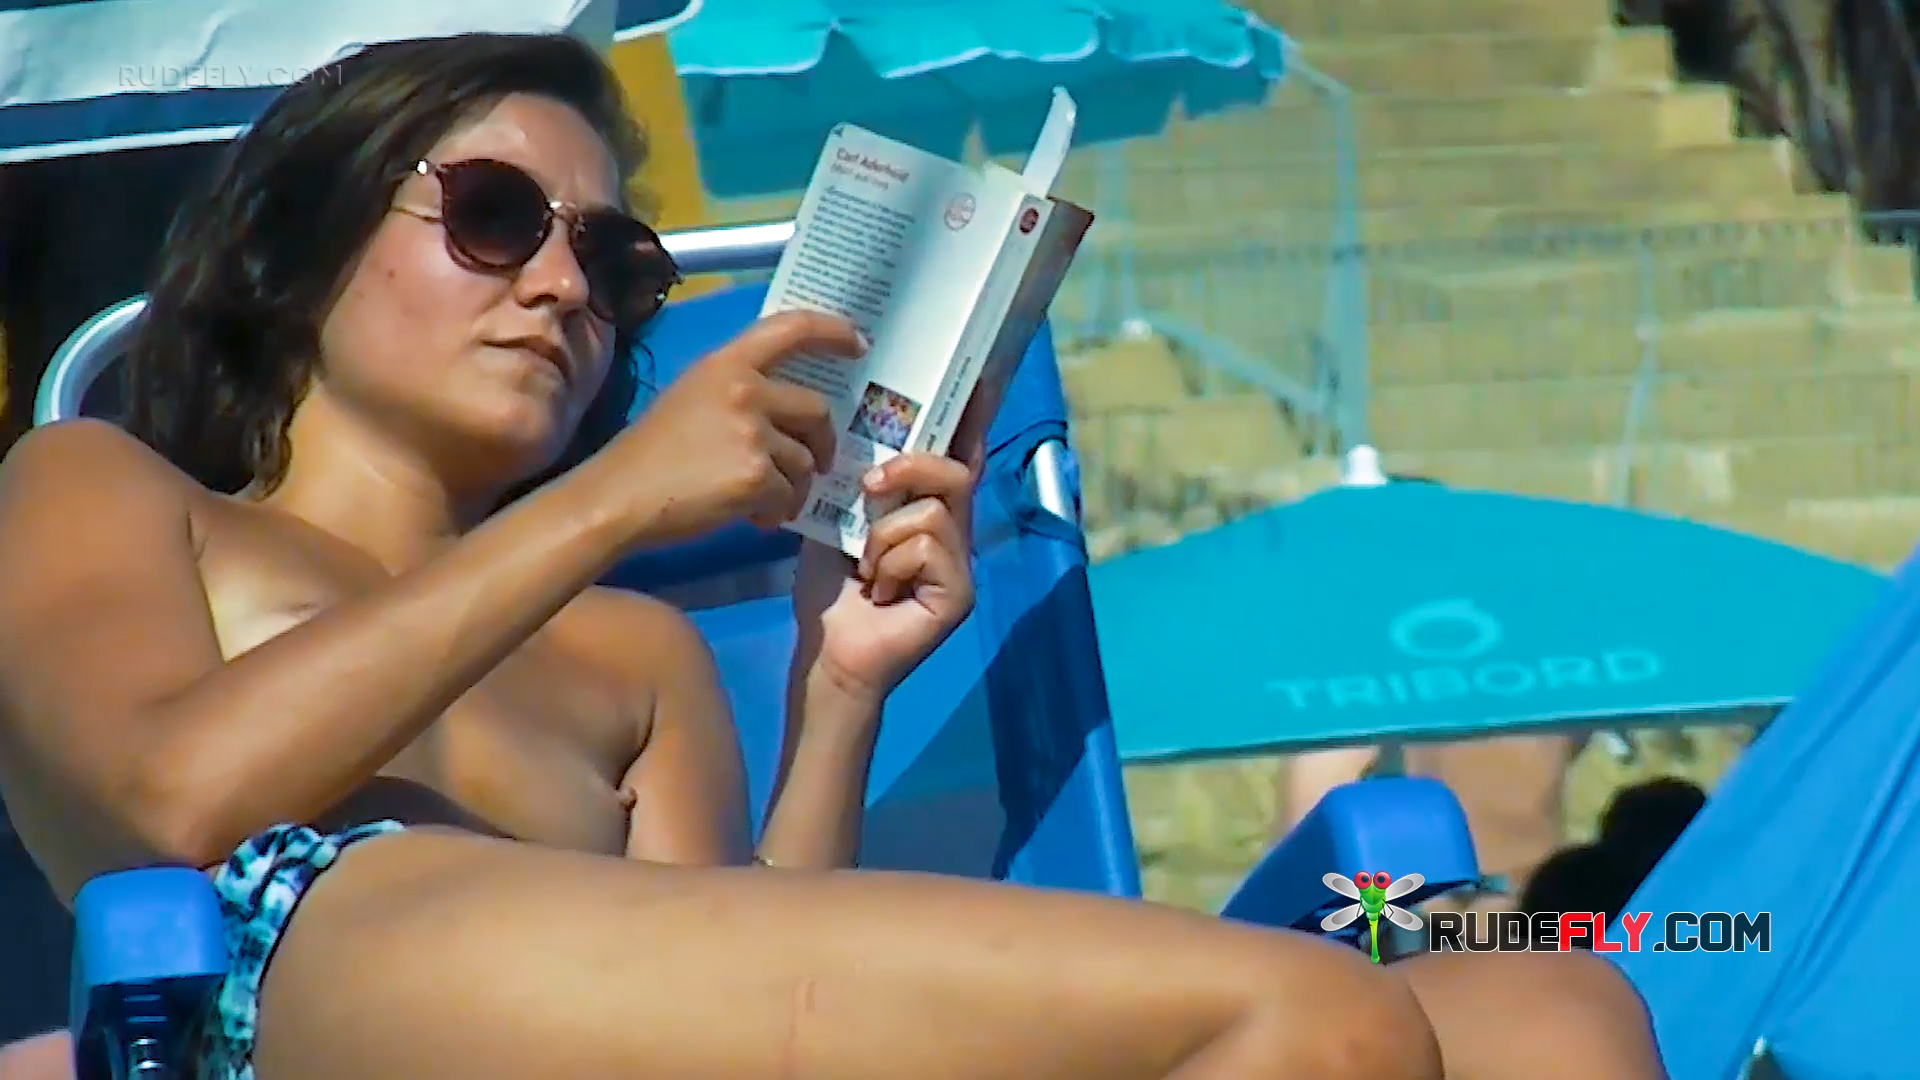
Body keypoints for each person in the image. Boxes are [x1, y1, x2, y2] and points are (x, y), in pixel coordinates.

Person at [0, 33, 1666, 1080]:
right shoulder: (107, 487)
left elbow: (748, 972)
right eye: (496, 215)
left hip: (627, 1014)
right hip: (299, 968)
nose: (566, 286)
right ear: (295, 247)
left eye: (615, 256)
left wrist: (837, 685)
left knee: (1552, 1022)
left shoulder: (625, 658)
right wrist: (614, 501)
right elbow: (160, 803)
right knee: (1327, 1021)